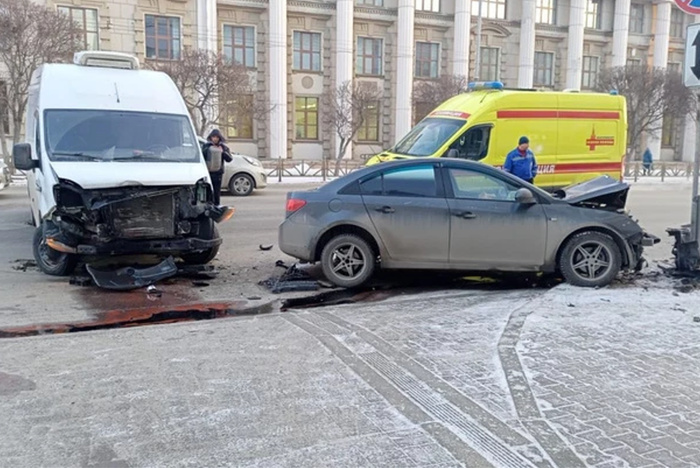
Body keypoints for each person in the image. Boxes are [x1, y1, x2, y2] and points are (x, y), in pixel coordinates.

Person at [202, 129, 233, 205]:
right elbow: (202, 156)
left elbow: (229, 159)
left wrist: (223, 152)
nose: (215, 139)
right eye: (213, 137)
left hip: (218, 173)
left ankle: (217, 205)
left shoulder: (223, 147)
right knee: (208, 191)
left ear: (219, 138)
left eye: (217, 137)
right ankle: (208, 206)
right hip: (208, 173)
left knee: (217, 191)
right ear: (211, 137)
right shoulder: (206, 146)